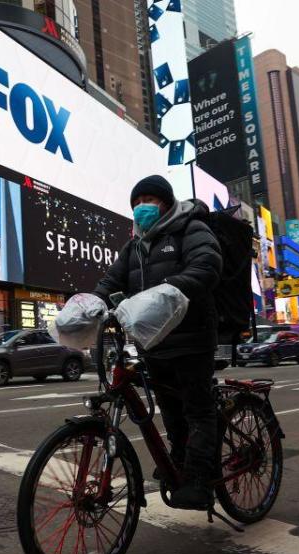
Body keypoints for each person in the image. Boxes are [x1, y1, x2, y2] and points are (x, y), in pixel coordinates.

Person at [94, 175, 223, 509]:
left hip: (193, 336)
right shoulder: (134, 246)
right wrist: (91, 303)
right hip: (154, 342)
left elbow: (207, 264)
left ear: (166, 202)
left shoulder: (190, 228)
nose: (141, 208)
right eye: (136, 203)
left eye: (149, 200)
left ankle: (199, 479)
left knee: (198, 409)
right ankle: (179, 462)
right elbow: (111, 280)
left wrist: (169, 289)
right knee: (170, 410)